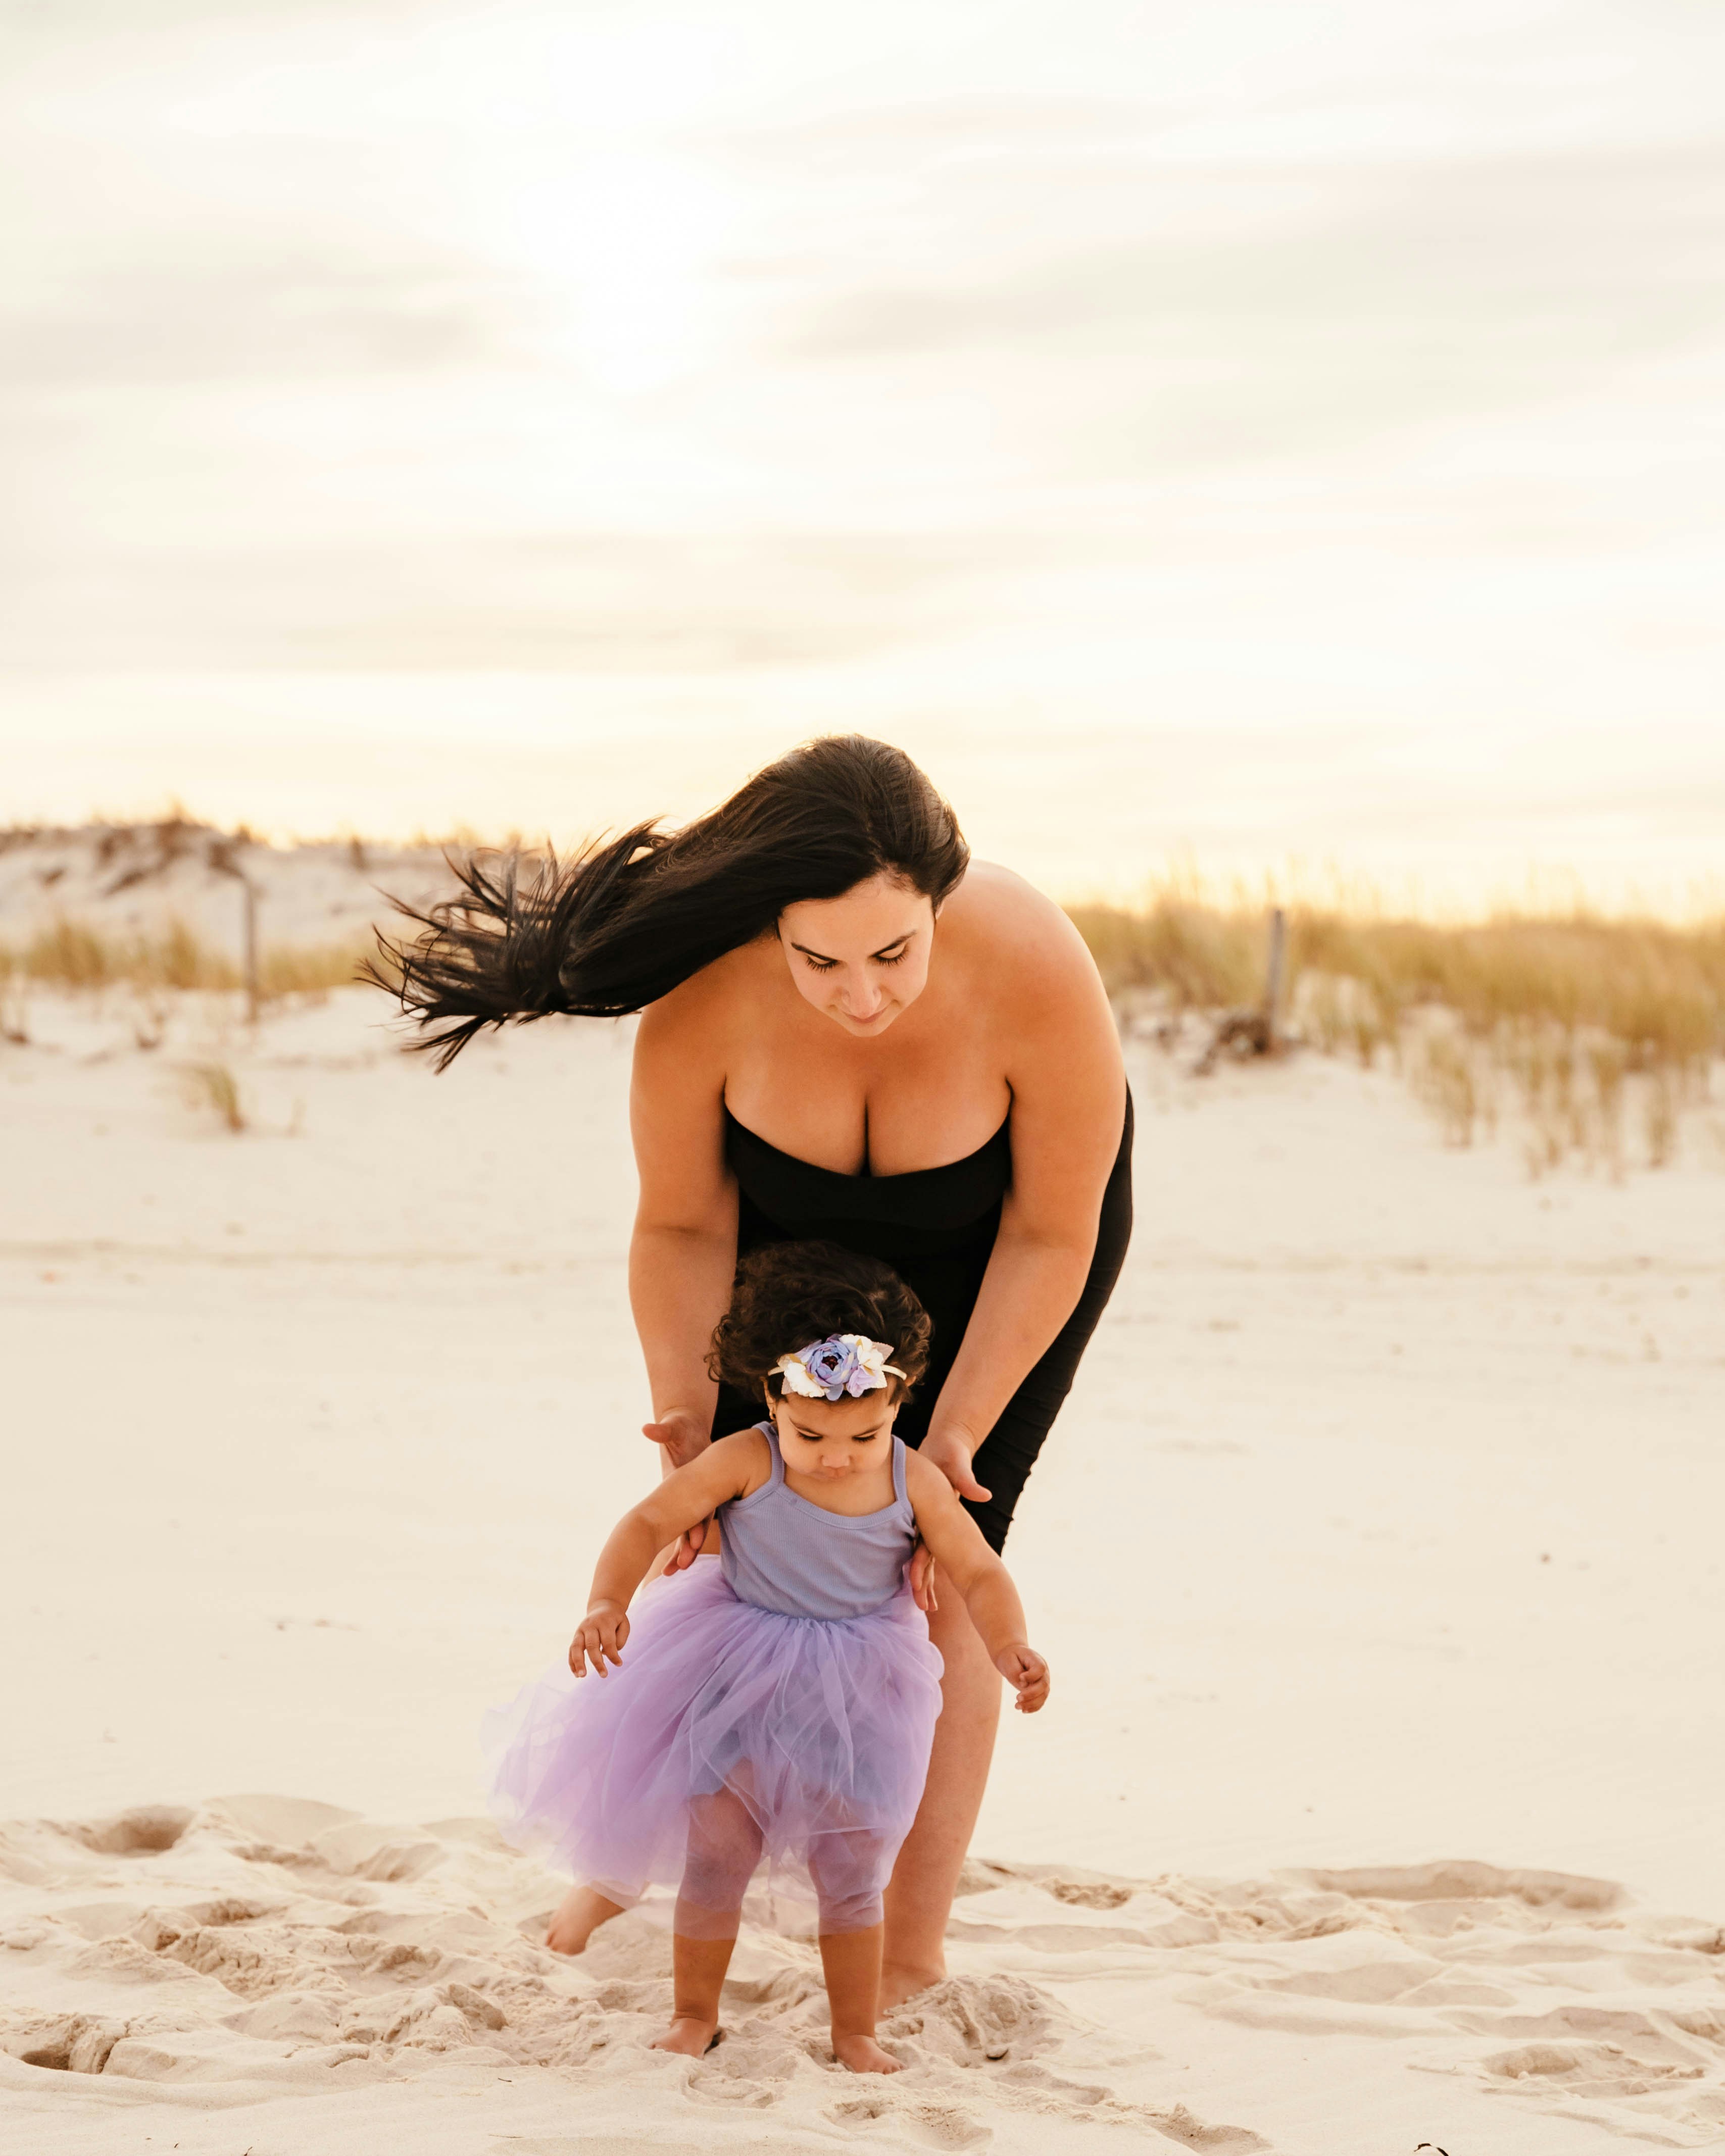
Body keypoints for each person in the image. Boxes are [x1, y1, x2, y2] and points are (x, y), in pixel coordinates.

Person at [377, 734, 1129, 2004]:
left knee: (934, 1574)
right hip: (775, 1250)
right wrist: (684, 1403)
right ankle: (611, 1877)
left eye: (894, 952)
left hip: (997, 1246)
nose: (861, 993)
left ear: (937, 903)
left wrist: (953, 1437)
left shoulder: (1037, 967)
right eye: (818, 958)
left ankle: (905, 1949)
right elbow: (679, 1224)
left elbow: (1055, 1228)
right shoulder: (707, 998)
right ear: (769, 925)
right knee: (726, 1554)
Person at [485, 1241, 1049, 2072]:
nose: (836, 1454)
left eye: (866, 1431)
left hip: (862, 1690)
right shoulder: (747, 1458)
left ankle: (855, 2031)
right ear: (772, 1398)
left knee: (853, 1868)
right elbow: (648, 1522)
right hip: (738, 1669)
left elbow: (978, 1568)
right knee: (717, 1855)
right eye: (811, 1431)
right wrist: (608, 1599)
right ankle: (692, 2015)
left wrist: (1010, 1644)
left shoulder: (912, 1478)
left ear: (900, 1401)